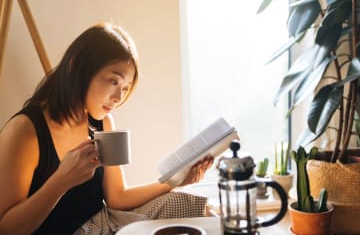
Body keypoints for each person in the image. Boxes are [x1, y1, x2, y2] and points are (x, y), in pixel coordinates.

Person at [0, 22, 214, 234]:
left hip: (103, 225)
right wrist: (60, 183)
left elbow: (117, 197)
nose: (119, 98)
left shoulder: (102, 122)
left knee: (196, 209)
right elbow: (6, 228)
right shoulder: (24, 132)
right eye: (113, 81)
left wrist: (176, 180)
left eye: (125, 88)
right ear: (76, 66)